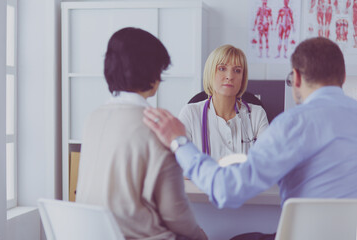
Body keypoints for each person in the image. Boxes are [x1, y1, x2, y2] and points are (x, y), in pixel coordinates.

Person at [143, 37, 357, 240]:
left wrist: (179, 142)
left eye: (237, 70)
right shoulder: (192, 112)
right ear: (343, 76)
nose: (230, 76)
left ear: (297, 77)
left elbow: (225, 189)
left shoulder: (292, 124)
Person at [75, 27, 207, 240]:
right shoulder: (159, 126)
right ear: (153, 72)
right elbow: (175, 213)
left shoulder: (92, 119)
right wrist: (200, 236)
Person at [178, 44, 268, 160]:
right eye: (222, 68)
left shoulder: (257, 114)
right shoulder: (190, 114)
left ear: (243, 77)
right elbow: (179, 166)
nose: (230, 76)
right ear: (210, 73)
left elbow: (267, 163)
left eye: (237, 70)